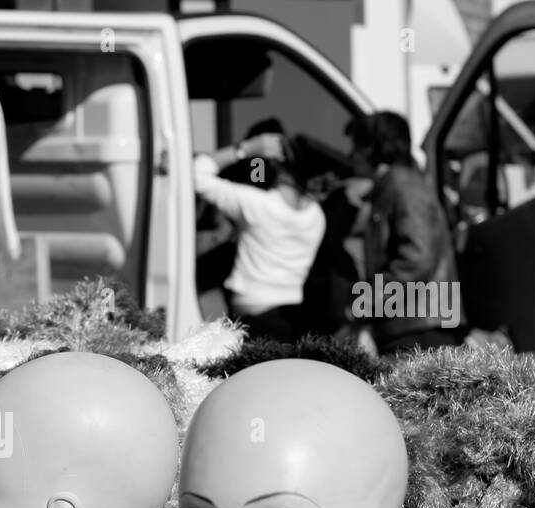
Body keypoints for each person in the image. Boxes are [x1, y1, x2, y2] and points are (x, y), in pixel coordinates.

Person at [192, 126, 326, 342]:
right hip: (291, 316)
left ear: (272, 165)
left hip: (254, 320)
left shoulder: (257, 205)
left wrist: (244, 149)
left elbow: (195, 174)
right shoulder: (316, 216)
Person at [344, 111, 465, 352]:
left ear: (371, 148)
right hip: (417, 323)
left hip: (419, 328)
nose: (350, 156)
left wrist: (368, 302)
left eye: (355, 147)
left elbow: (417, 255)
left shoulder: (402, 186)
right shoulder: (398, 185)